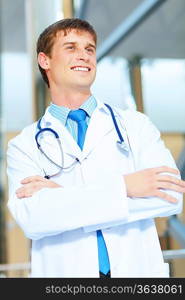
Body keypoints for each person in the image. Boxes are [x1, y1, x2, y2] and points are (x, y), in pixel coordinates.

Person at [7, 18, 184, 278]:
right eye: (71, 47)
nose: (84, 56)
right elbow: (34, 219)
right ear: (45, 61)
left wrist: (63, 195)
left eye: (89, 49)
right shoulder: (24, 144)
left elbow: (170, 196)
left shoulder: (135, 125)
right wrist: (126, 187)